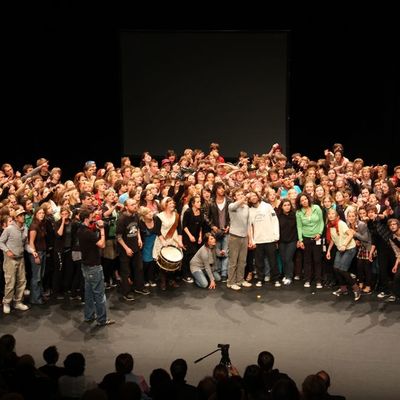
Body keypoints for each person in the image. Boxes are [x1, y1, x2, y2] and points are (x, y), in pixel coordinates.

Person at [77, 207, 115, 326]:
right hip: (94, 266)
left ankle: (89, 316)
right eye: (92, 215)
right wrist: (102, 230)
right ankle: (102, 319)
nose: (94, 217)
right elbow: (102, 245)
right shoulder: (88, 233)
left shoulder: (81, 229)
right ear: (86, 218)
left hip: (86, 265)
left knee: (89, 293)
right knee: (99, 294)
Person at [116, 198, 150, 301]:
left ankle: (139, 287)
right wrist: (126, 248)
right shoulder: (121, 219)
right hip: (125, 249)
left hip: (135, 247)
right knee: (126, 271)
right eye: (132, 205)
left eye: (135, 204)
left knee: (139, 268)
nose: (135, 206)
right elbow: (118, 237)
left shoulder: (136, 215)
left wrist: (139, 238)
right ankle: (126, 292)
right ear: (126, 207)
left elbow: (137, 228)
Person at [326, 209, 360, 301]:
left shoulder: (341, 223)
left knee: (342, 269)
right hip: (340, 249)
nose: (330, 215)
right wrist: (328, 251)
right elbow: (333, 239)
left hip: (349, 248)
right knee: (336, 268)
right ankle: (343, 288)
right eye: (329, 214)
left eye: (332, 213)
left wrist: (344, 244)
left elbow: (350, 234)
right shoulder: (330, 225)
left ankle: (356, 289)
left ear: (336, 215)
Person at [0, 208, 30, 314]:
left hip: (20, 258)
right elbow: (1, 242)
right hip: (10, 259)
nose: (23, 217)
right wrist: (7, 251)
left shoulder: (25, 228)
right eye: (20, 215)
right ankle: (7, 302)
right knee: (10, 282)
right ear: (16, 218)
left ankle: (18, 302)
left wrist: (32, 251)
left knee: (22, 281)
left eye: (23, 215)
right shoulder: (9, 229)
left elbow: (25, 244)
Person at [248, 191, 280, 288]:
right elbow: (250, 226)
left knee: (273, 261)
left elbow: (275, 221)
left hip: (270, 239)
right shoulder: (250, 210)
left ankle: (276, 279)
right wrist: (252, 240)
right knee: (259, 262)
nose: (253, 197)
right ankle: (260, 279)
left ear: (258, 196)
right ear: (249, 199)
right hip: (258, 240)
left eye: (254, 195)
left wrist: (276, 235)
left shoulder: (267, 206)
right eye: (251, 197)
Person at [153, 197, 184, 290]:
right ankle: (163, 281)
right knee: (163, 262)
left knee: (174, 261)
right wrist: (163, 241)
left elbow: (179, 229)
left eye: (173, 203)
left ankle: (171, 280)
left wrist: (180, 241)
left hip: (174, 240)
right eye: (170, 203)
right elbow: (157, 230)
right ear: (165, 205)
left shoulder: (176, 215)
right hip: (162, 240)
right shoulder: (159, 216)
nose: (172, 205)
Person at [295, 193, 324, 289]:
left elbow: (321, 222)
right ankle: (307, 279)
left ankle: (318, 280)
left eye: (305, 199)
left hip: (317, 238)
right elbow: (299, 227)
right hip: (306, 238)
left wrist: (319, 233)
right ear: (300, 203)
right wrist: (300, 240)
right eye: (302, 200)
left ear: (308, 199)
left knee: (317, 259)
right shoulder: (299, 212)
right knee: (307, 260)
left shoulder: (317, 208)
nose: (304, 201)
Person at [227, 188, 251, 290]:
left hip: (244, 237)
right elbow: (235, 205)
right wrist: (244, 198)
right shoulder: (232, 206)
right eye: (238, 194)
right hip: (234, 236)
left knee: (242, 261)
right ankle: (231, 282)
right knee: (233, 261)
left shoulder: (246, 207)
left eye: (242, 194)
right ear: (234, 197)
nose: (241, 195)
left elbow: (248, 224)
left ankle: (240, 280)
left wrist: (250, 239)